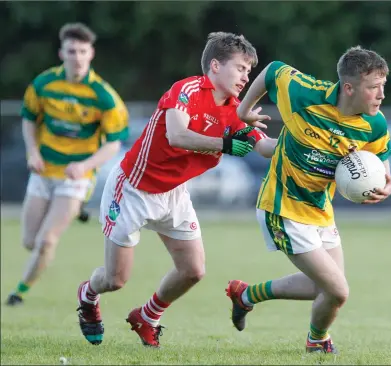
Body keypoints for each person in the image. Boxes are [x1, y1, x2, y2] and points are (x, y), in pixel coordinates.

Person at [76, 31, 278, 348]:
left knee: (193, 271)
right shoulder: (187, 89)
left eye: (249, 71)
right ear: (215, 65)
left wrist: (300, 145)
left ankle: (147, 317)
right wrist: (226, 144)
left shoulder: (236, 111)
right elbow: (177, 135)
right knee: (115, 280)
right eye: (240, 68)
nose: (246, 77)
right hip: (132, 188)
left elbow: (263, 146)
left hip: (174, 194)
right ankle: (87, 296)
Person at [225, 46, 391, 354]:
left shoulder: (375, 123)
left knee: (324, 288)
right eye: (374, 87)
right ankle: (316, 342)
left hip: (320, 210)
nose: (381, 94)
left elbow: (381, 157)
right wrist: (243, 110)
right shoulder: (304, 94)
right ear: (349, 87)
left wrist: (386, 183)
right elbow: (273, 69)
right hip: (283, 207)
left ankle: (246, 295)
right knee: (338, 291)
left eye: (383, 86)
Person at [6, 23, 129, 306]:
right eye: (71, 51)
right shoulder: (44, 84)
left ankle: (19, 293)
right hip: (43, 172)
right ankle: (74, 213)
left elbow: (113, 143)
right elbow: (28, 118)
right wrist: (32, 152)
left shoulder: (104, 95)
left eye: (82, 51)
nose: (77, 56)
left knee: (47, 241)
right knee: (30, 242)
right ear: (62, 53)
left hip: (75, 178)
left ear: (91, 53)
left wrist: (85, 165)